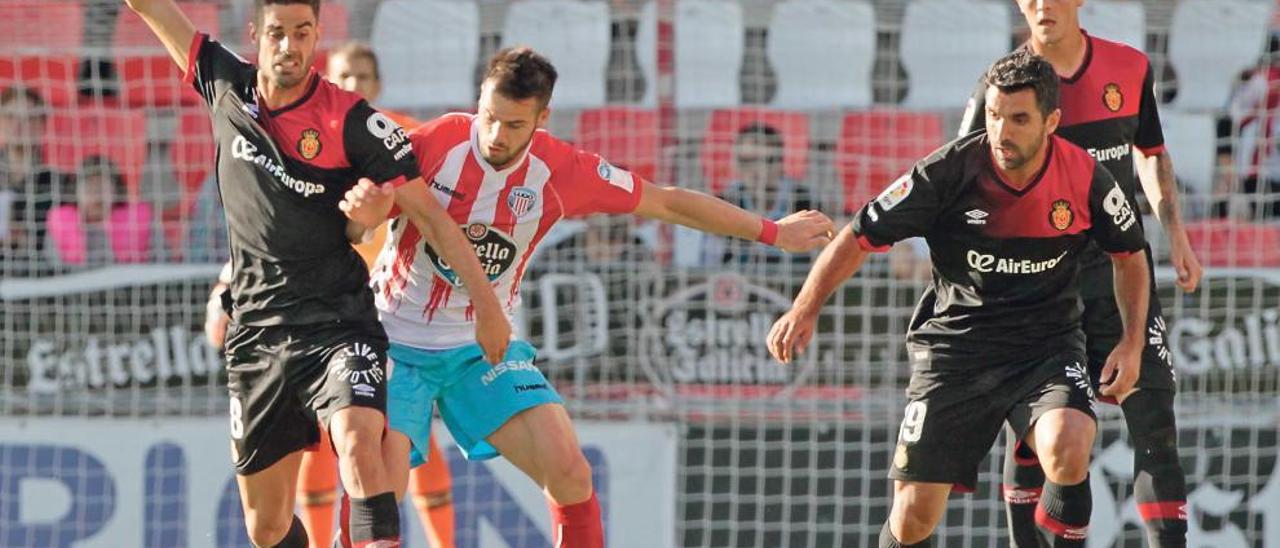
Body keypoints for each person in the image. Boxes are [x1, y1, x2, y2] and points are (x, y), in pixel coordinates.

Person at [339, 47, 834, 548]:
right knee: (379, 492)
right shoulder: (433, 143)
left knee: (570, 471)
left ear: (542, 118)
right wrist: (365, 215)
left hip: (480, 350)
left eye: (513, 125)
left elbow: (665, 200)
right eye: (489, 117)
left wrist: (773, 231)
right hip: (392, 340)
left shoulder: (561, 170)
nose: (495, 136)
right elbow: (354, 223)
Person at [123, 0, 510, 546]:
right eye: (278, 33)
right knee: (266, 528)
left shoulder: (356, 122)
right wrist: (222, 288)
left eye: (302, 33)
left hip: (338, 324)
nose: (289, 46)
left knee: (358, 445)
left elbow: (435, 219)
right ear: (256, 34)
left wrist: (487, 307)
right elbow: (151, 9)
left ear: (317, 36)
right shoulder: (225, 84)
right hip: (258, 333)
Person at [770, 50, 1151, 547]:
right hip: (956, 353)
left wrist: (1132, 341)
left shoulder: (1084, 178)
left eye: (1018, 119)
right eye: (994, 115)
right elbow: (859, 233)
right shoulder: (947, 174)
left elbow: (1130, 255)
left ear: (1051, 121)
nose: (1001, 131)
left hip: (1046, 350)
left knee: (1070, 444)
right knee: (912, 520)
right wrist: (805, 307)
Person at [958, 2, 1202, 546]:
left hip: (1120, 276)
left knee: (1155, 426)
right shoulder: (1002, 88)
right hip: (1039, 286)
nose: (1043, 5)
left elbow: (1151, 152)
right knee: (1040, 439)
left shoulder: (1130, 68)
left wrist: (1175, 232)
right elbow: (962, 180)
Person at [45, 155, 155, 265]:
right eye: (89, 186)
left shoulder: (139, 220)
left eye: (102, 186)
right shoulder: (59, 223)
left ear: (116, 191)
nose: (96, 193)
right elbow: (52, 267)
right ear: (76, 192)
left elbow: (162, 261)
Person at [0, 85, 64, 274]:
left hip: (40, 282)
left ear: (41, 124)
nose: (18, 125)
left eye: (28, 118)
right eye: (11, 117)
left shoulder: (59, 183)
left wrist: (29, 238)